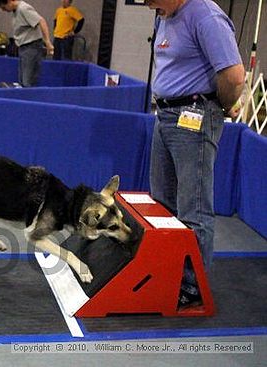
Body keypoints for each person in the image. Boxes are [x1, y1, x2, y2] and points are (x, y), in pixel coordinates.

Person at [145, 0, 244, 307]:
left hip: (195, 115)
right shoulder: (165, 14)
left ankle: (191, 286)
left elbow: (234, 75)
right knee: (162, 202)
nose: (147, 5)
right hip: (165, 116)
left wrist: (222, 108)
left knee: (194, 208)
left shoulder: (205, 15)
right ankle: (167, 272)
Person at [0, 0, 54, 87]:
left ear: (10, 1)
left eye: (3, 7)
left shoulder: (23, 8)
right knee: (22, 81)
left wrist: (47, 42)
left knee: (27, 81)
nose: (3, 10)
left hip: (32, 47)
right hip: (24, 48)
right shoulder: (16, 11)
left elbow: (41, 21)